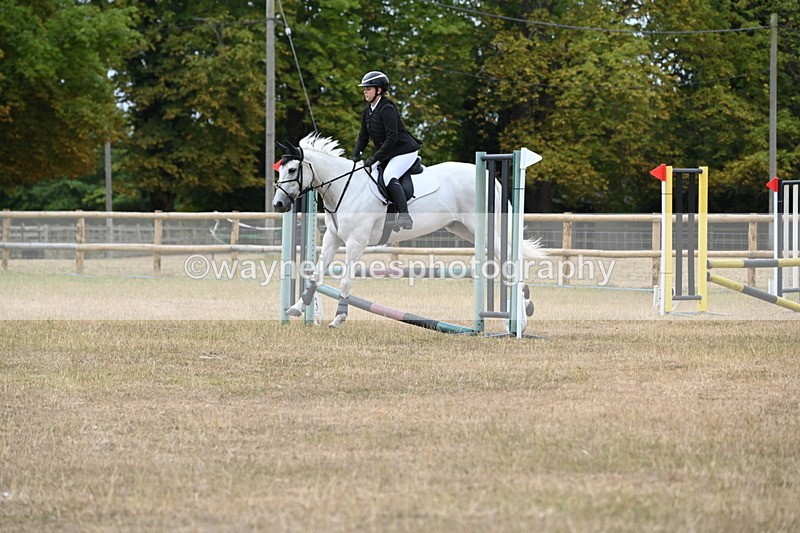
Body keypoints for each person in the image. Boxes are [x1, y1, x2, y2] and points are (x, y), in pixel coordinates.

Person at [351, 71, 420, 230]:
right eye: (365, 89)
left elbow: (391, 139)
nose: (365, 91)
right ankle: (389, 214)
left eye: (368, 88)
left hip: (405, 151)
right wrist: (354, 158)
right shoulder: (368, 110)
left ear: (379, 90)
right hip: (389, 152)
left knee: (389, 176)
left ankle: (404, 215)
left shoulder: (387, 108)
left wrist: (375, 158)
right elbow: (363, 137)